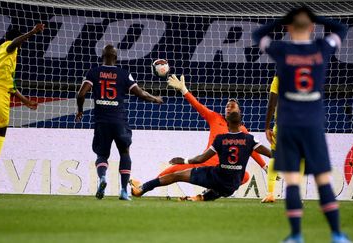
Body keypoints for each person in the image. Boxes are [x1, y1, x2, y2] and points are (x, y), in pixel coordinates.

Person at [253, 6, 350, 243]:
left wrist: (283, 20)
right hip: (312, 124)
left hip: (287, 126)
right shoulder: (321, 49)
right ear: (312, 27)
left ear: (288, 27)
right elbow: (341, 28)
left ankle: (296, 236)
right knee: (323, 180)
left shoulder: (282, 50)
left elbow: (258, 35)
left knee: (293, 181)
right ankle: (337, 235)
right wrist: (314, 15)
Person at [132, 74, 269, 201]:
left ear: (239, 112)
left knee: (245, 176)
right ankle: (143, 187)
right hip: (206, 164)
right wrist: (184, 89)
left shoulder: (244, 132)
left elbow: (253, 151)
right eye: (227, 106)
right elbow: (197, 105)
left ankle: (205, 196)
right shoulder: (215, 118)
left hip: (224, 170)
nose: (228, 108)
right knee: (175, 170)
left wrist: (264, 166)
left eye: (232, 106)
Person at [76, 44, 163, 200]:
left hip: (101, 121)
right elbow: (141, 93)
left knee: (102, 155)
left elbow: (81, 94)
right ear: (116, 58)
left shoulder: (93, 72)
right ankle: (123, 191)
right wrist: (155, 98)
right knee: (124, 152)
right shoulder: (124, 74)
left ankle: (102, 178)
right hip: (119, 121)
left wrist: (80, 110)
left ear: (102, 56)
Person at [130, 110, 272, 200]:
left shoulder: (221, 139)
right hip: (232, 185)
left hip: (215, 177)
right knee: (234, 181)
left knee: (177, 175)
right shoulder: (250, 139)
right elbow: (270, 153)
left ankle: (142, 189)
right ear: (242, 123)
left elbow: (202, 158)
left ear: (226, 123)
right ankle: (201, 198)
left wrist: (184, 160)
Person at [0, 24, 44, 198]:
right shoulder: (9, 47)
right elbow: (13, 44)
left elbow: (11, 85)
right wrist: (32, 33)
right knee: (0, 133)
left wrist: (26, 101)